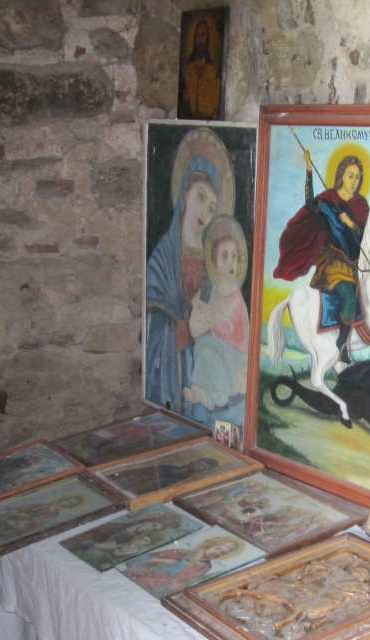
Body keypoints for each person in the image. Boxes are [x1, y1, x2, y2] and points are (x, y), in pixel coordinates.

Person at [276, 150, 369, 363]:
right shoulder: (328, 200)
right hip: (334, 261)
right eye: (350, 175)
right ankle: (342, 345)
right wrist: (309, 170)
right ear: (341, 175)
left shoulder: (361, 205)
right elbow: (310, 203)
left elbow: (364, 235)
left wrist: (351, 224)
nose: (353, 181)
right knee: (348, 294)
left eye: (357, 177)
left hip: (356, 262)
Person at [146, 156, 221, 412]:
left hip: (203, 369)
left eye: (212, 207)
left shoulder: (212, 261)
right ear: (184, 194)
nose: (204, 212)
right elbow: (152, 329)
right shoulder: (162, 258)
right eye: (201, 197)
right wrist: (189, 329)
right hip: (172, 370)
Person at [185, 215, 249, 411]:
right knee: (203, 347)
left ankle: (216, 396)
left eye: (234, 256)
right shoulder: (213, 289)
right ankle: (202, 392)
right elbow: (200, 321)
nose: (231, 262)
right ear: (214, 260)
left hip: (235, 356)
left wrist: (211, 318)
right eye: (224, 256)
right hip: (219, 350)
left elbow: (229, 328)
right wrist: (198, 308)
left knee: (207, 346)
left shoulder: (234, 293)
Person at [182, 19, 221, 119]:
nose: (200, 40)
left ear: (208, 38)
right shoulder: (187, 70)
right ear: (194, 39)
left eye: (203, 35)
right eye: (198, 35)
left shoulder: (213, 71)